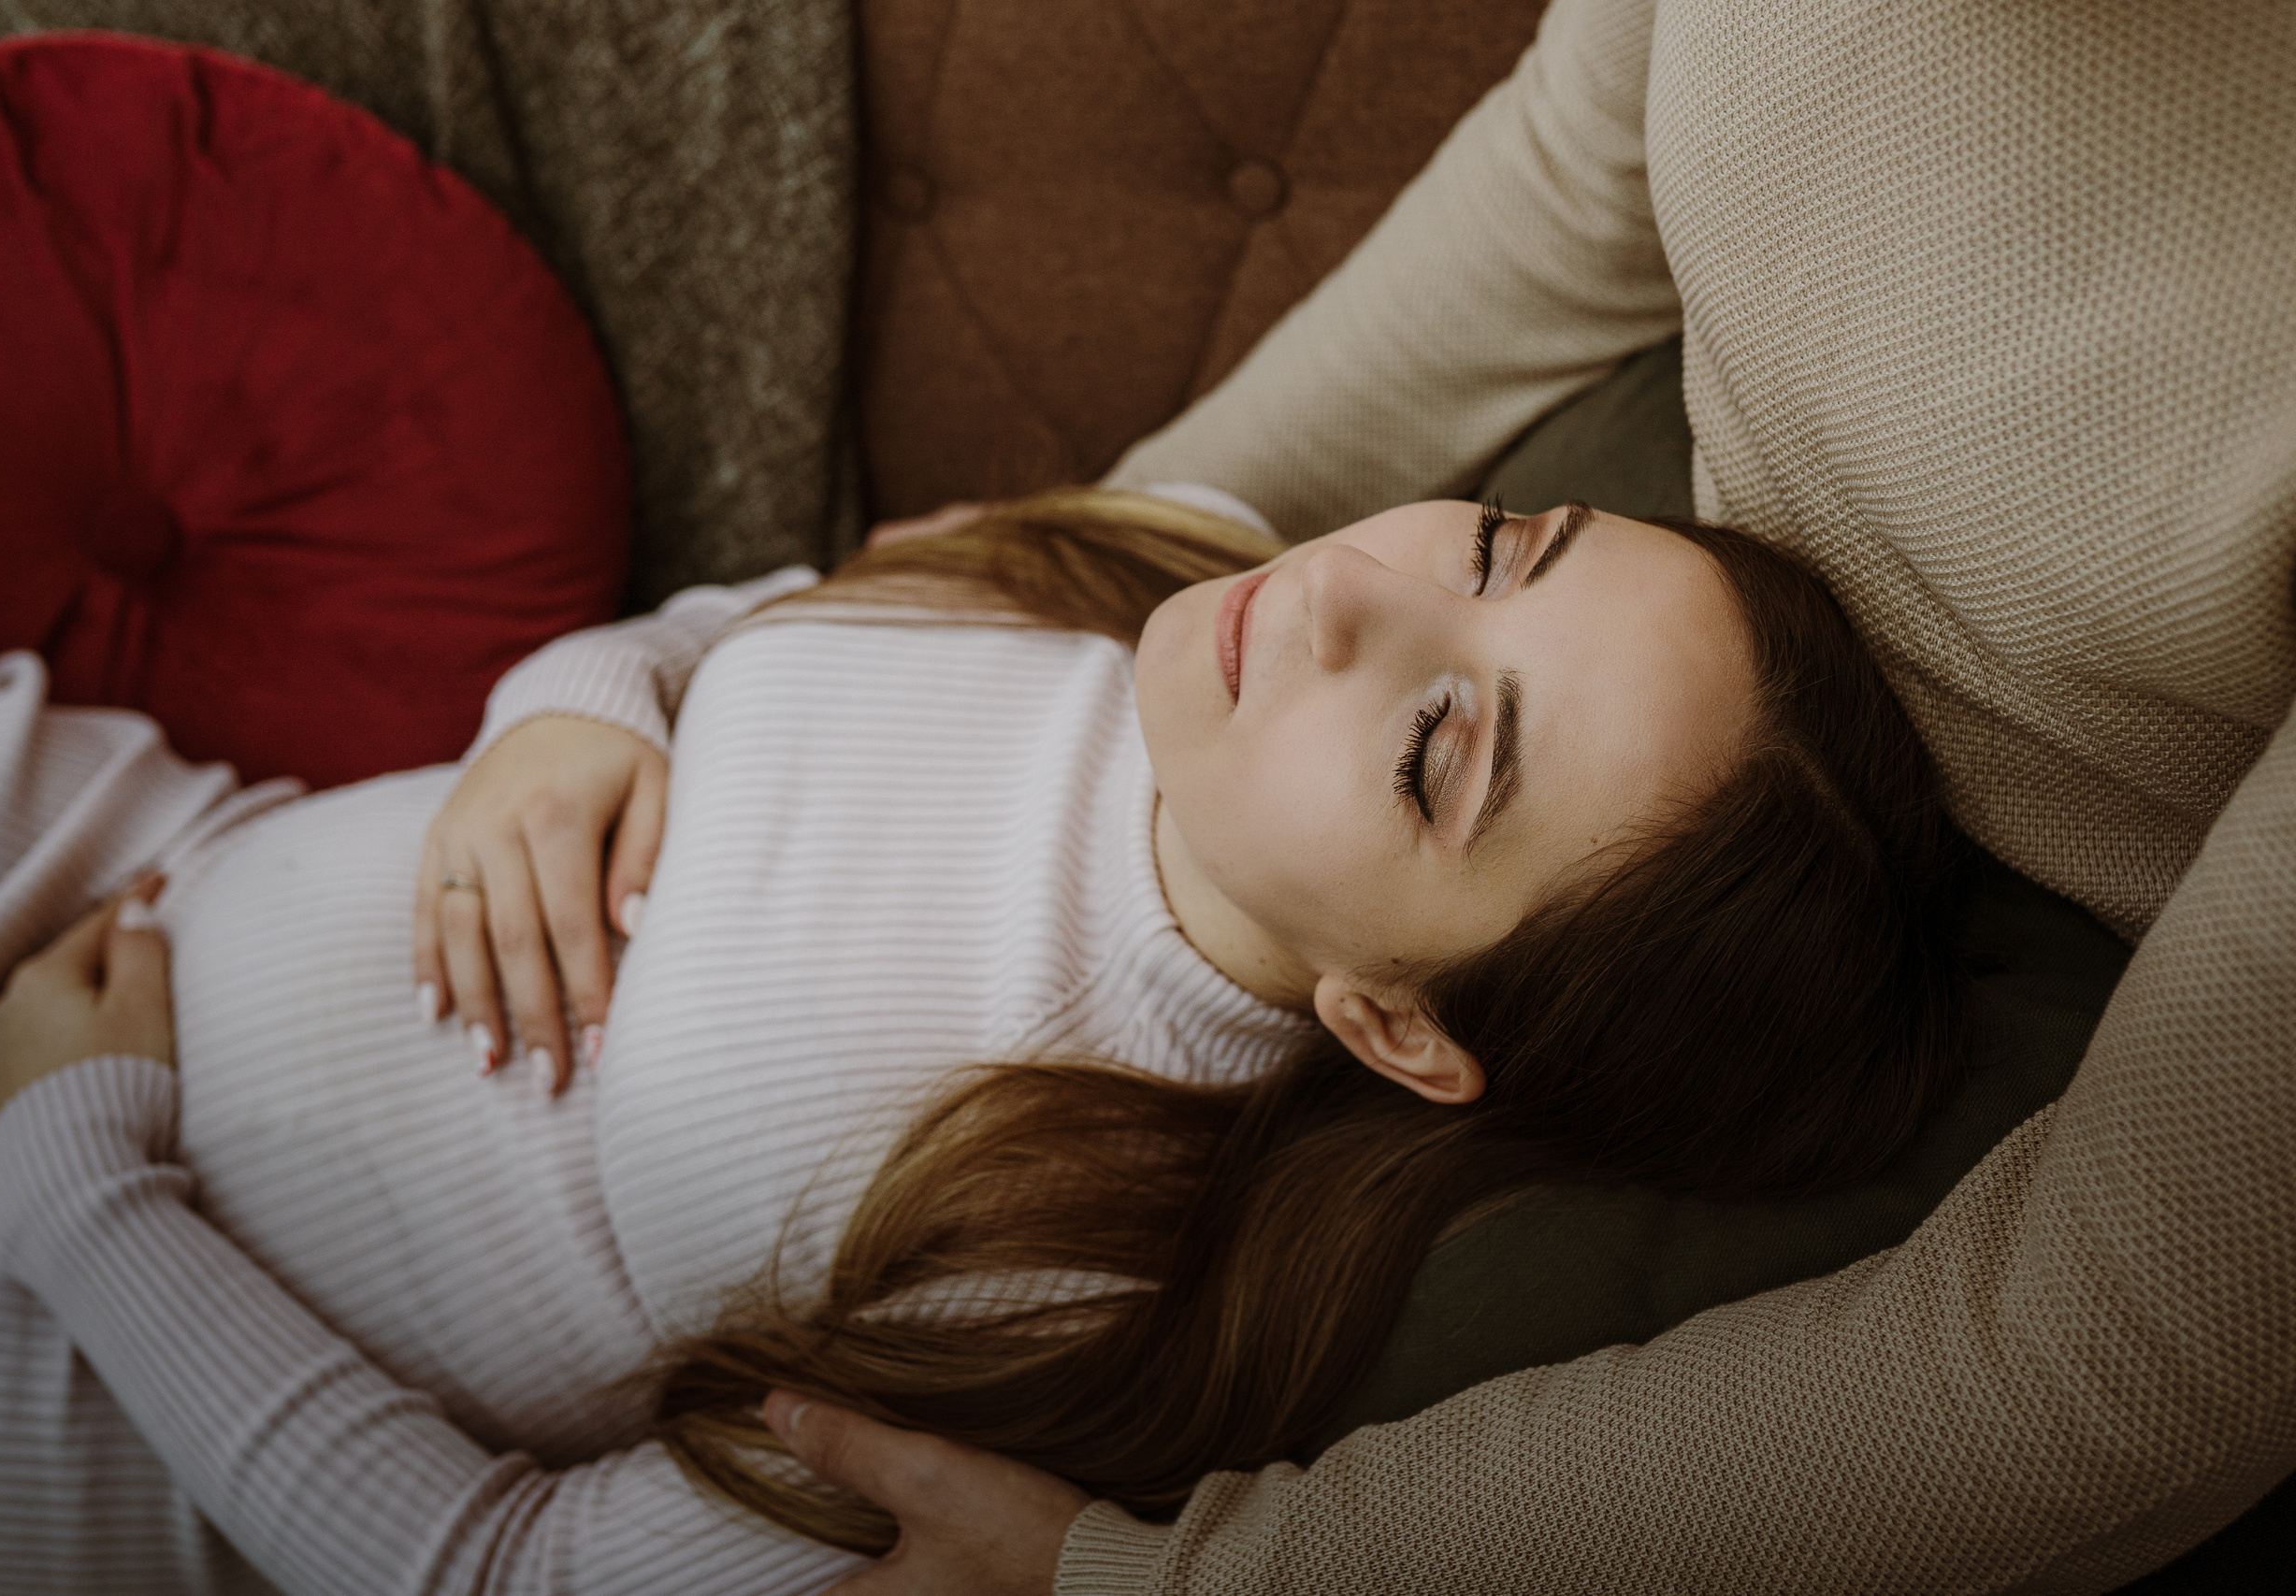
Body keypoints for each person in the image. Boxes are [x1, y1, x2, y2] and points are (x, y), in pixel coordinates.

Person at [749, 0, 2296, 1591]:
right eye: (1497, 539)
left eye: (1434, 747)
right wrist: (1071, 558)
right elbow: (1576, 171)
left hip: (1891, 1009)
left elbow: (2120, 1348)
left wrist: (1192, 1579)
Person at [0, 481, 1965, 1594]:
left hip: (71, 1351)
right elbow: (737, 628)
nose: (1355, 599)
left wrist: (80, 1169)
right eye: (1505, 545)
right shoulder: (1161, 564)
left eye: (1439, 744)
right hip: (136, 853)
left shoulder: (1059, 1261)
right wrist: (580, 702)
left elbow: (499, 1575)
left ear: (1398, 1022)